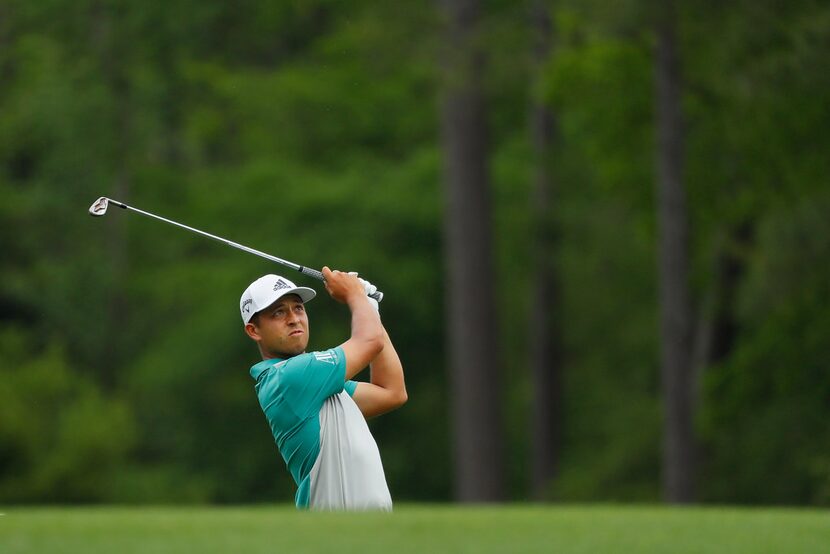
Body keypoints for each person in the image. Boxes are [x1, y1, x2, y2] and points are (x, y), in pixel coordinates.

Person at [240, 267, 407, 510]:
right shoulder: (288, 378)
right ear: (254, 330)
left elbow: (392, 392)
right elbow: (370, 342)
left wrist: (370, 311)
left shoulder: (319, 386)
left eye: (298, 308)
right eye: (278, 313)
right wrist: (356, 296)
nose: (294, 318)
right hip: (337, 532)